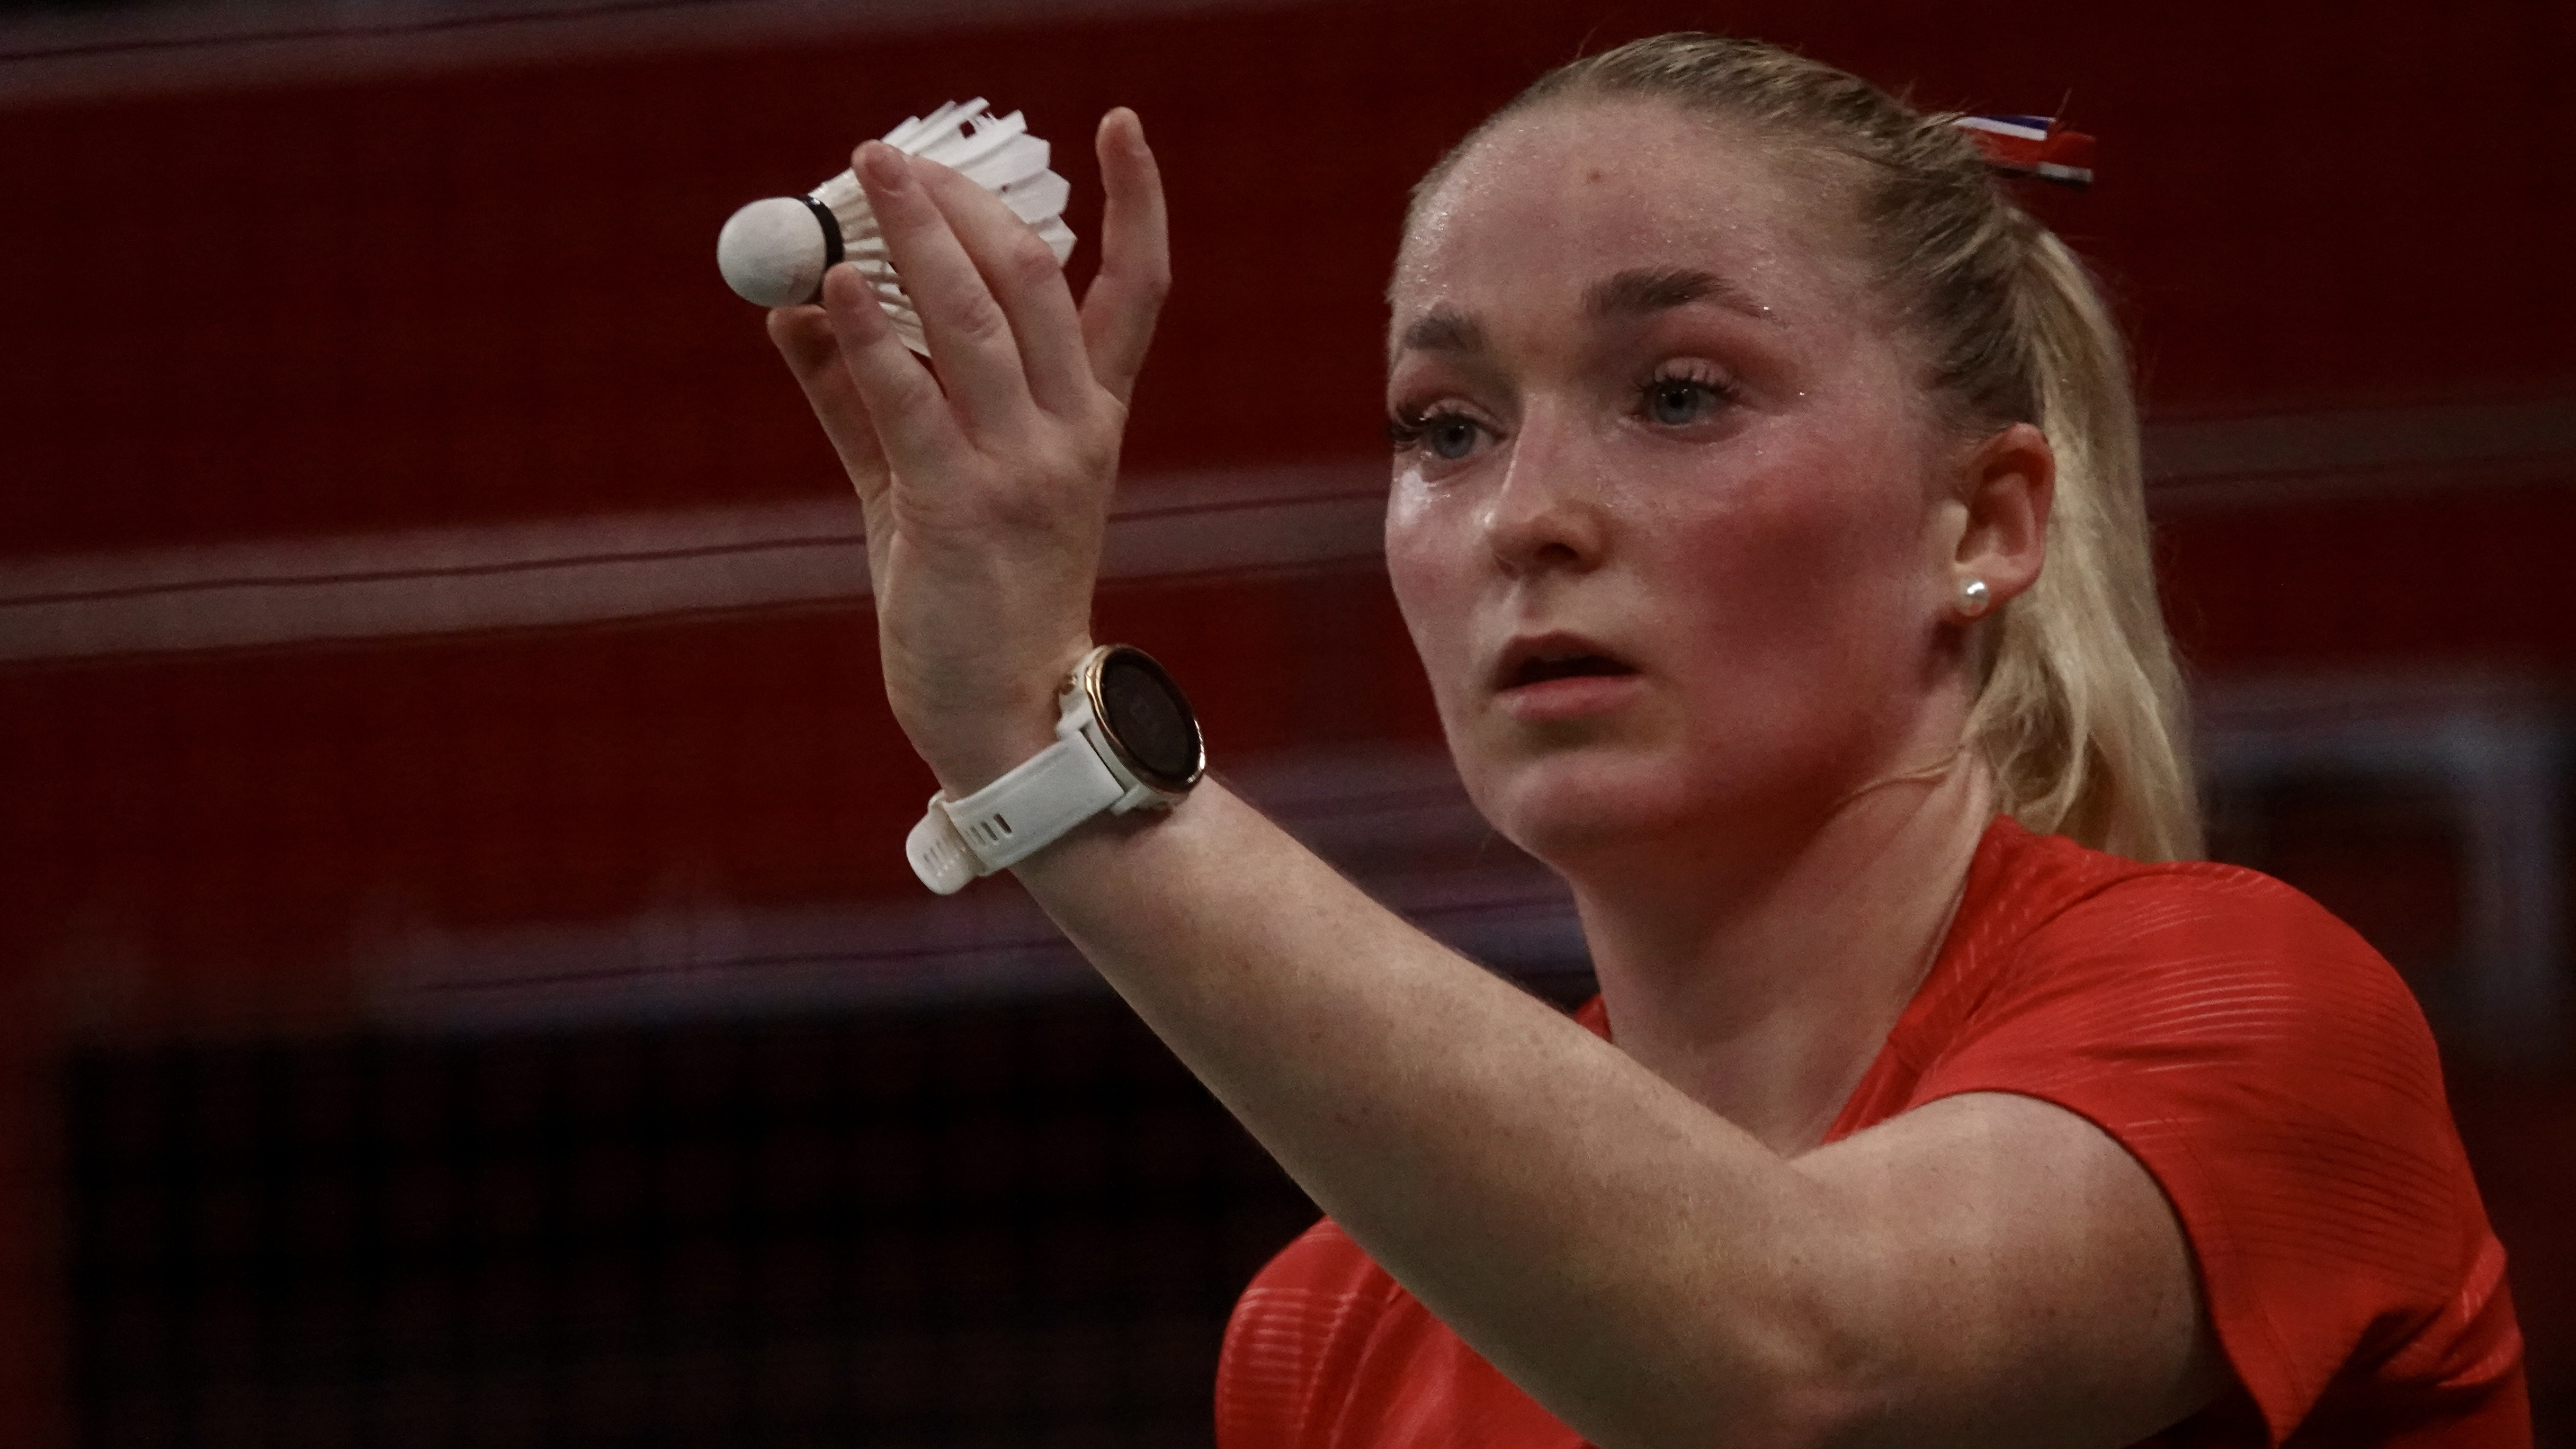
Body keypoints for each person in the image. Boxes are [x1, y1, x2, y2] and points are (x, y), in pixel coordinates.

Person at [763, 32, 2528, 1447]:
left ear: (1983, 522)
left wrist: (1046, 754)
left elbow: (1803, 1363)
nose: (1526, 515)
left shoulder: (2264, 1020)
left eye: (1679, 393)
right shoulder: (1326, 1345)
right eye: (1444, 426)